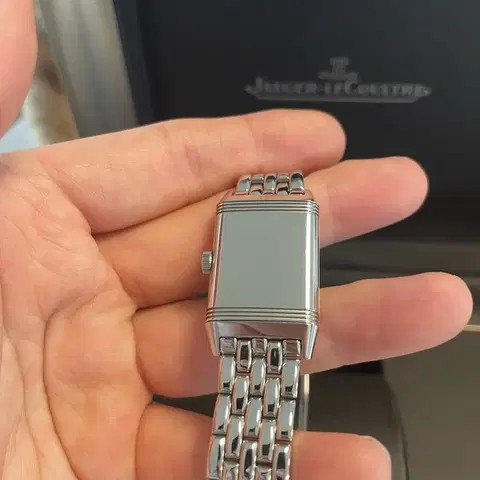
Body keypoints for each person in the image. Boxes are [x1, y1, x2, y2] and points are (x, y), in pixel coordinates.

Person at [0, 2, 473, 479]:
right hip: (261, 324)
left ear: (213, 263)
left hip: (252, 324)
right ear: (213, 264)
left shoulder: (254, 221)